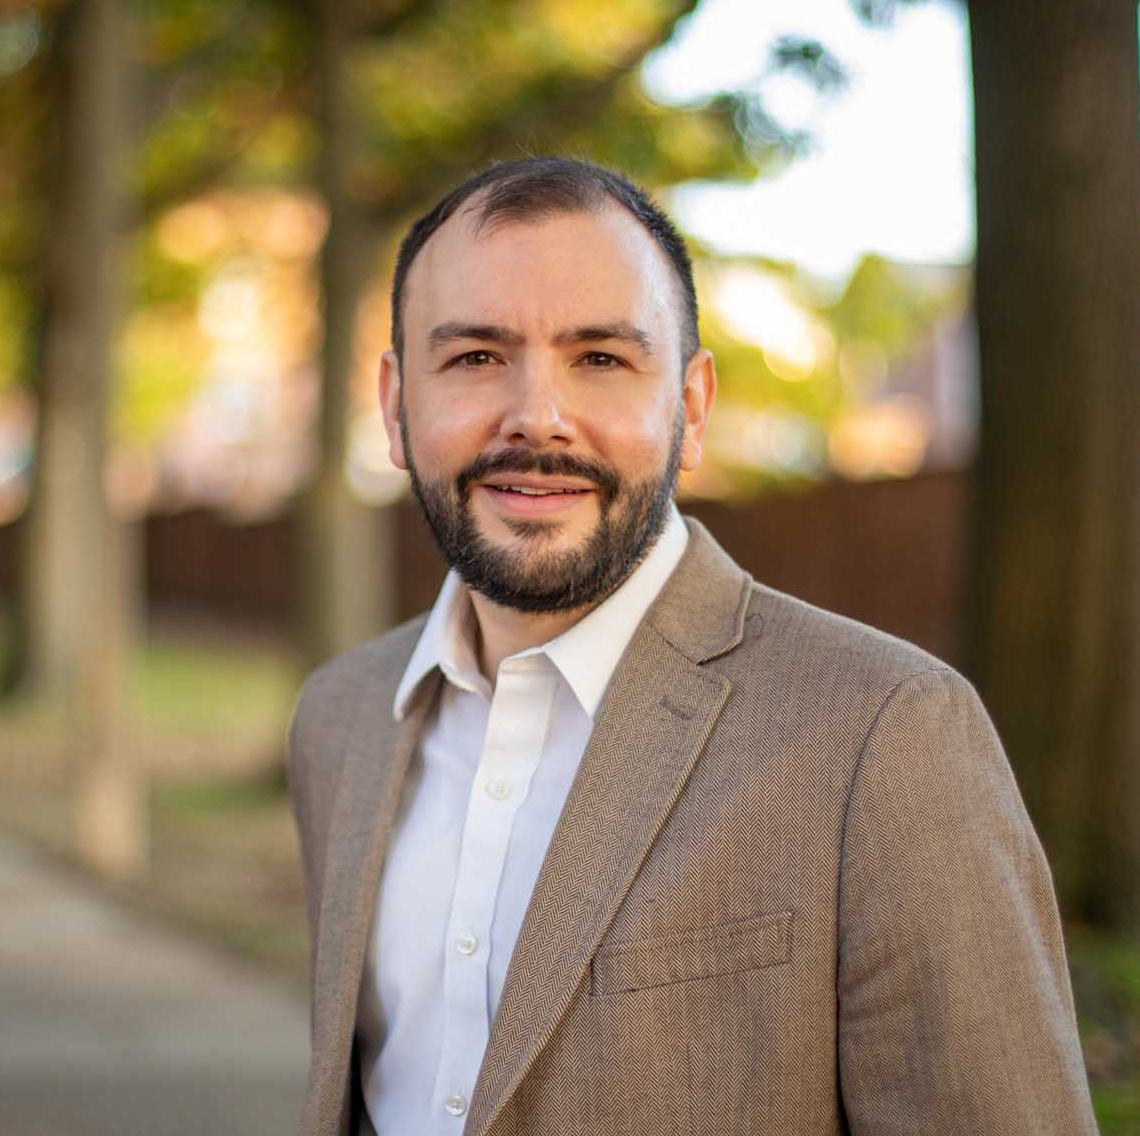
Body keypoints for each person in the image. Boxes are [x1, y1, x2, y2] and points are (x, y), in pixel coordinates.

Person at [286, 156, 1097, 1136]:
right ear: (393, 404)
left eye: (601, 359)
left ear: (694, 406)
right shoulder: (339, 719)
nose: (537, 416)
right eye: (474, 357)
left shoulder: (885, 735)